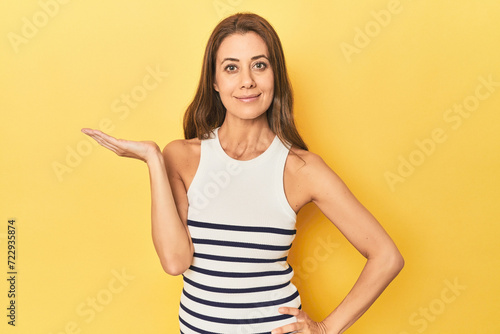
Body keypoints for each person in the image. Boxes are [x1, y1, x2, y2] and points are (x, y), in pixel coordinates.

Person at [82, 12, 404, 334]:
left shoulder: (302, 169)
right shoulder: (180, 157)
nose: (247, 80)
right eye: (231, 67)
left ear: (274, 74)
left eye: (259, 65)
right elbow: (175, 262)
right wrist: (153, 159)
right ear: (215, 80)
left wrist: (324, 329)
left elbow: (386, 256)